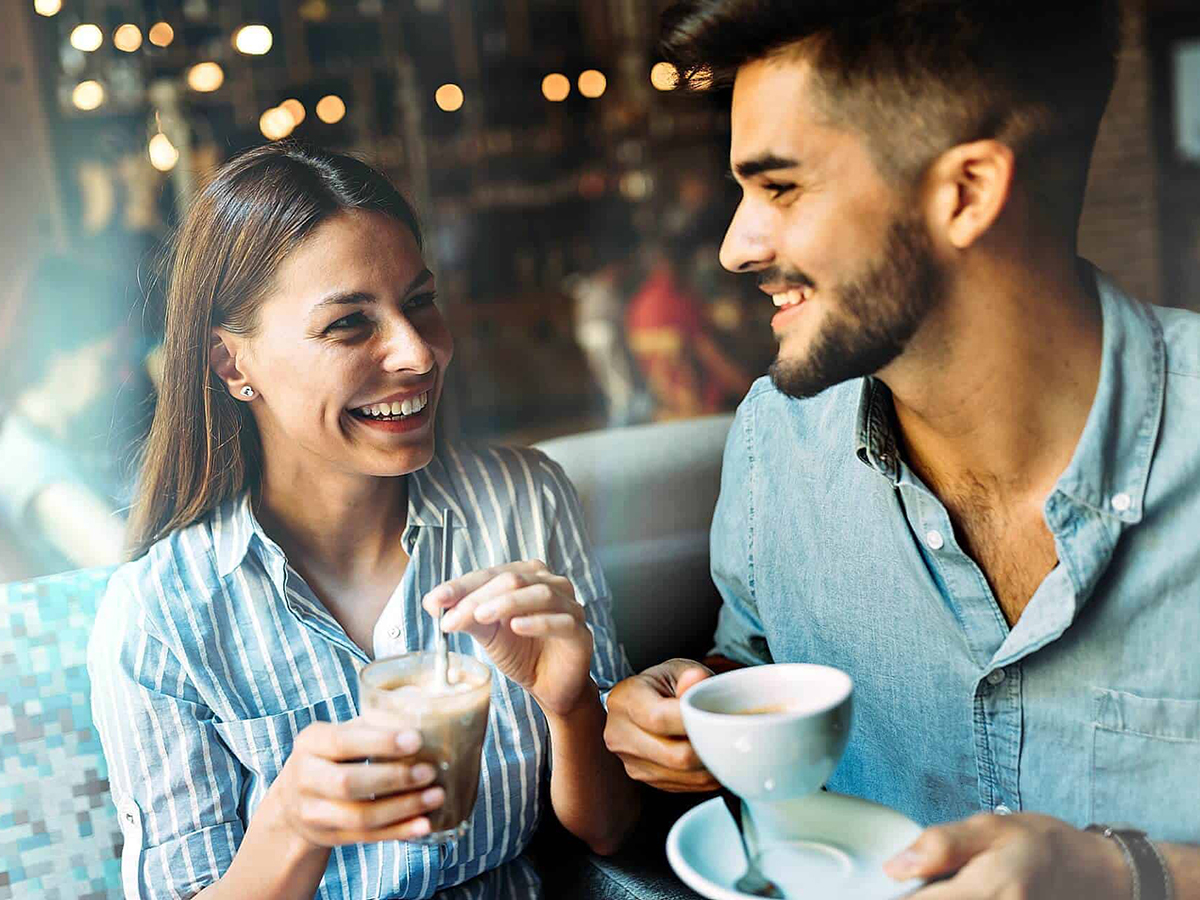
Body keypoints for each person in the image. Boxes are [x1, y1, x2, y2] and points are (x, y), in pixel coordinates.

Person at [604, 2, 1200, 898]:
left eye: (782, 187)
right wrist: (690, 707)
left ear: (964, 193)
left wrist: (1128, 876)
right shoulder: (778, 442)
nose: (735, 246)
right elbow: (759, 669)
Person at [87, 143, 639, 900]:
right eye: (349, 325)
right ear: (229, 364)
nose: (418, 354)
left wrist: (572, 707)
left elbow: (612, 831)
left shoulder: (523, 503)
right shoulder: (161, 616)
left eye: (419, 302)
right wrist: (290, 823)